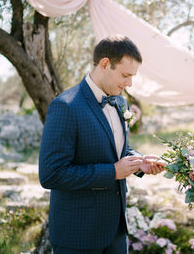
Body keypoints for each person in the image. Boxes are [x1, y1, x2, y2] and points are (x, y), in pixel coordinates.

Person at [39, 35, 165, 253]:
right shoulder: (65, 106)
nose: (129, 83)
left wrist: (139, 162)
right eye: (125, 75)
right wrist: (112, 172)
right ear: (105, 64)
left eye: (132, 76)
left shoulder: (120, 102)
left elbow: (116, 150)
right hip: (78, 235)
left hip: (116, 231)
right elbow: (51, 174)